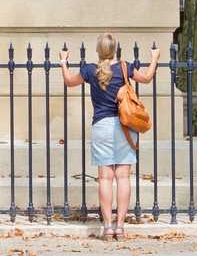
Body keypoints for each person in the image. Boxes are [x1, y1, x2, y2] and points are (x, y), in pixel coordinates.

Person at [59, 35, 159, 241]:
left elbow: (69, 82)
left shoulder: (89, 70)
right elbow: (147, 78)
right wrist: (155, 57)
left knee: (105, 178)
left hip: (101, 127)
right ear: (115, 50)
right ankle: (120, 226)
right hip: (124, 126)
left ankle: (106, 226)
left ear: (97, 50)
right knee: (123, 177)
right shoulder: (125, 67)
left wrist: (63, 60)